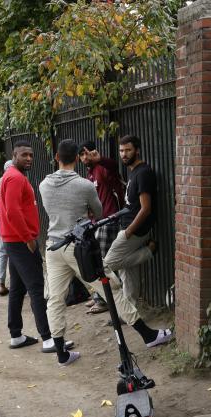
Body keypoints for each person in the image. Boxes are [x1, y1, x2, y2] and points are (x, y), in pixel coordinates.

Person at [40, 139, 172, 366]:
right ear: (76, 158)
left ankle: (61, 352)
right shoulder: (84, 185)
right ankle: (148, 335)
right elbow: (99, 211)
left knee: (55, 298)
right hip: (79, 248)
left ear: (56, 158)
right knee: (111, 288)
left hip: (53, 246)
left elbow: (49, 210)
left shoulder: (43, 185)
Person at [0, 140, 72, 354]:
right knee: (37, 288)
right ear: (14, 156)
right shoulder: (14, 178)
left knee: (18, 289)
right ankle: (49, 338)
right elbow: (12, 212)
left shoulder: (14, 176)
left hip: (14, 240)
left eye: (31, 155)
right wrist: (29, 239)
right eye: (24, 155)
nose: (29, 158)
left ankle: (16, 335)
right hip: (21, 242)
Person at [104, 135, 158, 303]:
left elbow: (146, 208)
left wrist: (128, 232)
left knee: (107, 265)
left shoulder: (143, 173)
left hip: (134, 231)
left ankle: (148, 252)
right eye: (121, 151)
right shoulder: (134, 172)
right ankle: (132, 311)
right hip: (127, 227)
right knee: (127, 271)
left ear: (137, 150)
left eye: (128, 150)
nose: (124, 154)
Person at [79, 140, 125, 314]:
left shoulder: (102, 168)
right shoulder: (91, 173)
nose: (85, 157)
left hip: (110, 220)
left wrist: (101, 159)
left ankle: (105, 300)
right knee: (97, 260)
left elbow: (114, 168)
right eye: (82, 155)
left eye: (87, 153)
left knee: (103, 262)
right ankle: (100, 297)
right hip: (98, 222)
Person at [0, 160, 14, 296]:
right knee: (15, 253)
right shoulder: (16, 179)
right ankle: (15, 283)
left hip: (0, 220)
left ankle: (1, 283)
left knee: (2, 252)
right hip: (12, 222)